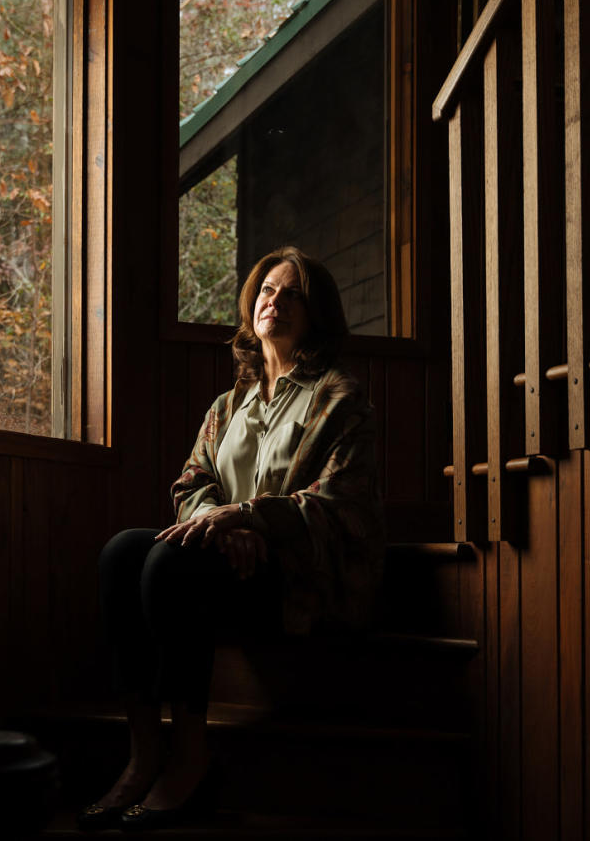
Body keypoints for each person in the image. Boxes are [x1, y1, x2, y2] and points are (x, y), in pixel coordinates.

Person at [77, 247, 385, 831]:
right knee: (122, 552)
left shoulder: (340, 397)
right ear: (252, 306)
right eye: (268, 290)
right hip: (226, 561)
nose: (277, 301)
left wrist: (248, 517)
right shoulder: (229, 405)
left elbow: (342, 504)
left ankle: (192, 762)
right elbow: (192, 481)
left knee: (168, 564)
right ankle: (144, 756)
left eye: (294, 293)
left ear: (317, 314)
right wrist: (222, 522)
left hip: (295, 576)